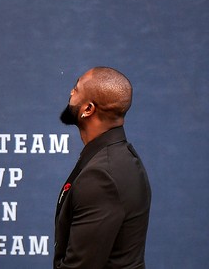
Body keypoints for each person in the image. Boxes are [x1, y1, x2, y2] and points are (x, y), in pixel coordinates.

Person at [55, 67, 151, 268]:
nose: (71, 92)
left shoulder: (101, 176)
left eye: (76, 88)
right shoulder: (122, 157)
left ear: (88, 109)